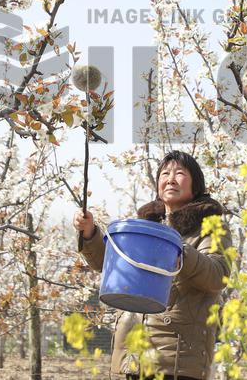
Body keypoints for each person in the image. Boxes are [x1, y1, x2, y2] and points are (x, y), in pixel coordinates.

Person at [73, 150, 232, 380]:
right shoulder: (145, 227)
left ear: (196, 184)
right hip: (133, 354)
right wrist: (89, 234)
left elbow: (217, 276)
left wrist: (179, 251)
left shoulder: (210, 227)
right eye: (165, 174)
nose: (171, 179)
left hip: (176, 359)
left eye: (179, 173)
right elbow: (113, 265)